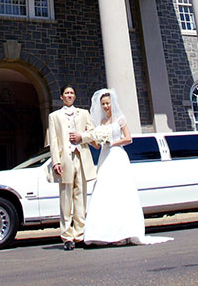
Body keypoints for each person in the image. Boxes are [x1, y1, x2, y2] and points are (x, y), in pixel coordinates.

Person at [83, 88, 172, 246]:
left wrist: (112, 142)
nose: (105, 106)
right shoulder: (101, 123)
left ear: (112, 103)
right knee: (105, 191)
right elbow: (97, 146)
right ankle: (104, 233)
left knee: (121, 190)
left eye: (107, 103)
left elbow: (129, 138)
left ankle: (124, 231)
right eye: (103, 104)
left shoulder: (120, 119)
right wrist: (88, 137)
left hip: (117, 156)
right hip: (105, 157)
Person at [47, 85, 98, 250]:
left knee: (80, 197)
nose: (69, 95)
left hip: (81, 157)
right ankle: (67, 236)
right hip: (65, 159)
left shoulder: (83, 113)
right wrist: (56, 161)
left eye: (72, 93)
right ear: (61, 97)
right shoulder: (54, 116)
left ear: (74, 96)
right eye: (66, 93)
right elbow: (54, 140)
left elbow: (92, 132)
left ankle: (79, 234)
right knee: (65, 199)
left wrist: (81, 136)